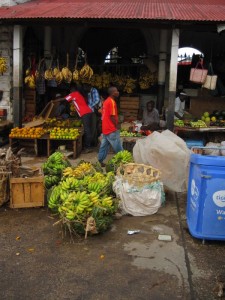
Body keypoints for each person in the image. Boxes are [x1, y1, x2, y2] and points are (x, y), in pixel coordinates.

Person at [98, 86, 123, 167]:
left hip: (105, 129)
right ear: (112, 93)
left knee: (103, 146)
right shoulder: (112, 102)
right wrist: (116, 125)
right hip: (111, 129)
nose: (118, 92)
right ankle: (125, 163)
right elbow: (112, 116)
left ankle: (100, 161)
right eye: (116, 91)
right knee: (118, 148)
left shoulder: (106, 101)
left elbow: (103, 113)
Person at [65, 85, 94, 153]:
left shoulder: (74, 94)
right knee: (87, 129)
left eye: (70, 91)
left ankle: (87, 147)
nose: (70, 92)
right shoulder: (78, 94)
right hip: (87, 112)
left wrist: (53, 101)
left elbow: (64, 99)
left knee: (87, 130)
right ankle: (87, 146)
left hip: (85, 113)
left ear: (72, 90)